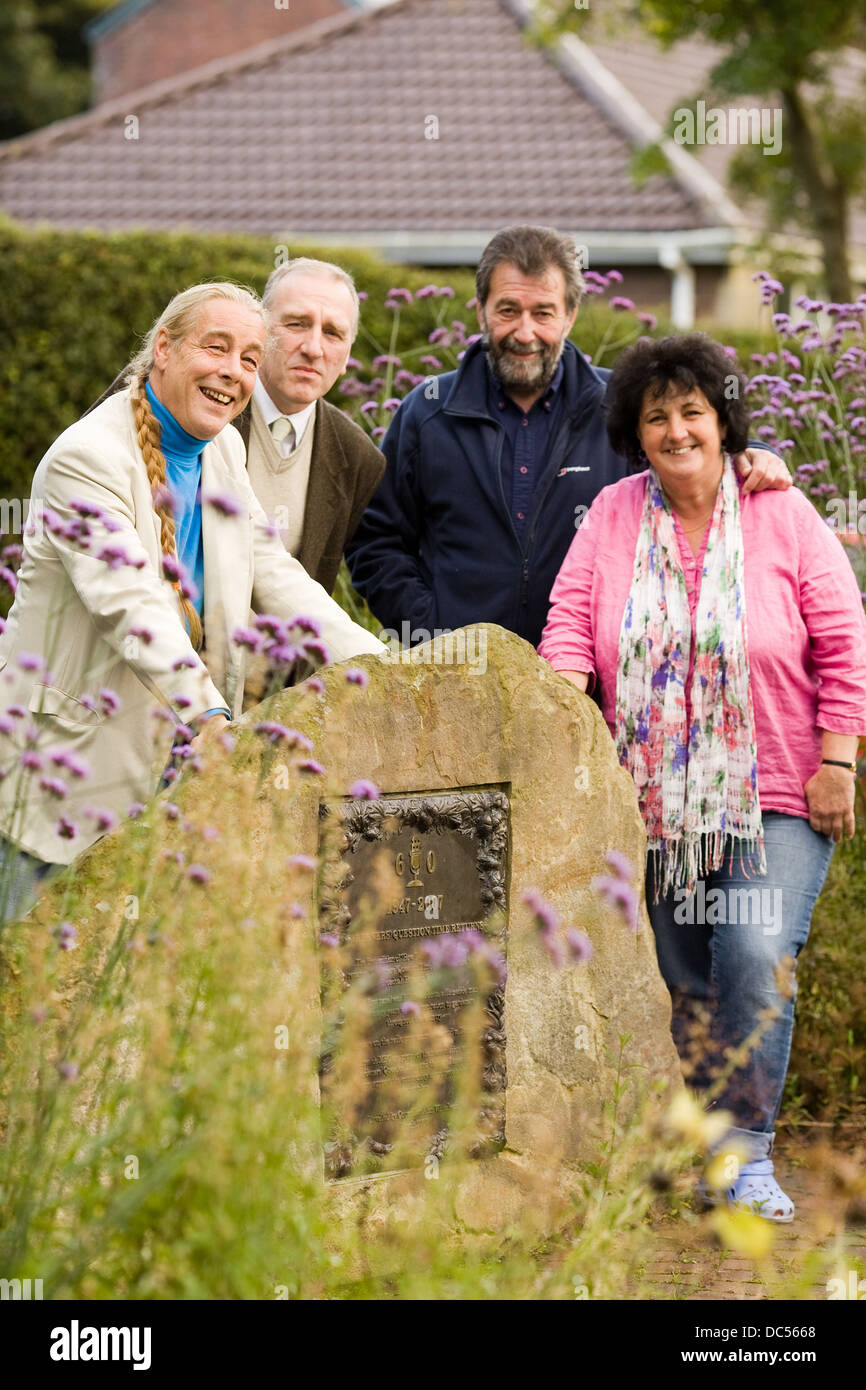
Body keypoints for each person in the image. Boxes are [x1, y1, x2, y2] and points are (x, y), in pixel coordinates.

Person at [539, 332, 866, 1221]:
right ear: (635, 433)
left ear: (722, 421)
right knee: (683, 980)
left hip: (785, 790)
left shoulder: (781, 513)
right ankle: (701, 1152)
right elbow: (571, 622)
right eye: (658, 416)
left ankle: (747, 1154)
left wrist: (840, 759)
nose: (677, 429)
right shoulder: (611, 515)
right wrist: (562, 699)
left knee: (753, 954)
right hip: (651, 800)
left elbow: (844, 644)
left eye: (693, 411)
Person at [0, 282, 383, 919]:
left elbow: (278, 577)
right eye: (216, 348)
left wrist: (387, 670)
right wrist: (209, 716)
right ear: (164, 350)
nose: (232, 372)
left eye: (249, 360)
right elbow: (133, 605)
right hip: (61, 777)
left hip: (172, 780)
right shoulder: (86, 460)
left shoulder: (224, 450)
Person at [346, 224, 791, 650]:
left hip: (593, 688)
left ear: (571, 315)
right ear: (480, 309)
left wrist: (752, 451)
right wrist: (430, 627)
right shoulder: (428, 411)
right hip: (457, 685)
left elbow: (690, 452)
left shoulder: (624, 407)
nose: (525, 333)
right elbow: (375, 540)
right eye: (508, 311)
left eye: (543, 313)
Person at [89, 257, 385, 595]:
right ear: (261, 331)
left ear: (347, 355)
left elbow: (294, 581)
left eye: (332, 333)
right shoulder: (174, 394)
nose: (313, 348)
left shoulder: (358, 457)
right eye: (296, 324)